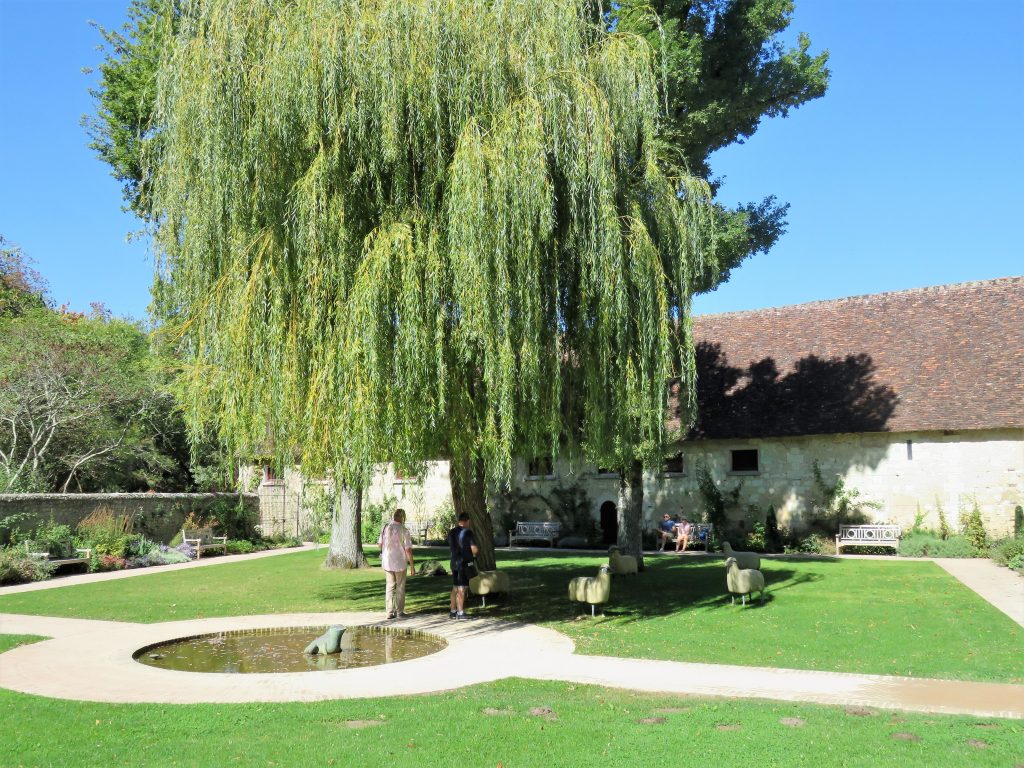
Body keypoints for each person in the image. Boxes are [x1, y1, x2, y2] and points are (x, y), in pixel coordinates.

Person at [377, 508, 415, 620]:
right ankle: (399, 611)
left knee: (389, 586)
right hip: (400, 562)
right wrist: (412, 565)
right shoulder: (404, 530)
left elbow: (379, 544)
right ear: (403, 518)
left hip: (388, 561)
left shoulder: (385, 527)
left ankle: (389, 611)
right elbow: (408, 550)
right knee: (400, 586)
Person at [447, 512, 479, 619]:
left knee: (455, 587)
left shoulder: (451, 532)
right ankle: (460, 613)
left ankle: (452, 611)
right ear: (467, 521)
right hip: (463, 564)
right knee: (462, 588)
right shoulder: (468, 532)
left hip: (453, 563)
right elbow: (474, 548)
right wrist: (474, 553)